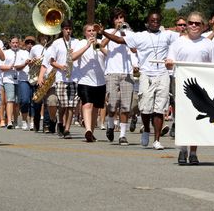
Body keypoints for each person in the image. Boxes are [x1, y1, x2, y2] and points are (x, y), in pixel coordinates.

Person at [102, 12, 179, 149]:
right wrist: (103, 32)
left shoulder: (167, 35)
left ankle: (156, 140)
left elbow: (185, 37)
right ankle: (146, 131)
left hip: (162, 74)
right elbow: (119, 40)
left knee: (159, 109)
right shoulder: (140, 36)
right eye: (152, 20)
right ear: (147, 22)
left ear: (160, 22)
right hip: (146, 75)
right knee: (145, 107)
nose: (155, 22)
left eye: (157, 20)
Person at [166, 12, 214, 165]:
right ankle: (182, 150)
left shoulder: (208, 43)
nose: (194, 25)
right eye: (191, 23)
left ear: (203, 26)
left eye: (197, 23)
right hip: (181, 84)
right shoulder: (177, 43)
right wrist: (169, 63)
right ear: (186, 25)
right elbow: (170, 62)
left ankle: (193, 152)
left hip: (201, 87)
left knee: (196, 118)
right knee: (181, 118)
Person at [102, 8, 137, 144]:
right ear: (113, 20)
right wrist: (116, 31)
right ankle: (110, 125)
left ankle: (122, 134)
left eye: (121, 18)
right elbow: (102, 45)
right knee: (112, 103)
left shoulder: (130, 33)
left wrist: (124, 33)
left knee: (125, 105)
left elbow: (134, 49)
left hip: (127, 72)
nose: (119, 20)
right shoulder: (110, 32)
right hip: (112, 71)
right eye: (117, 18)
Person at [72, 23, 107, 142]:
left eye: (93, 30)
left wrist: (99, 46)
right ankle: (87, 130)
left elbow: (109, 55)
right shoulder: (80, 43)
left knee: (96, 108)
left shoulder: (101, 42)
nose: (92, 32)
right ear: (85, 33)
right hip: (85, 80)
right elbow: (72, 57)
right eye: (89, 31)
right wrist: (87, 46)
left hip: (100, 81)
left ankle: (91, 132)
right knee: (87, 105)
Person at [46, 20, 80, 139]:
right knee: (63, 105)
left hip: (73, 77)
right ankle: (60, 122)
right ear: (62, 30)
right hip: (61, 78)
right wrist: (61, 67)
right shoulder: (57, 43)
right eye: (66, 29)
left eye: (70, 29)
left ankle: (67, 129)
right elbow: (51, 61)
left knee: (71, 105)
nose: (68, 31)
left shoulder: (76, 42)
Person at [0, 37, 20, 129]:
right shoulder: (6, 53)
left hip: (20, 79)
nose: (15, 44)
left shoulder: (22, 52)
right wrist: (9, 67)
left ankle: (15, 121)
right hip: (8, 79)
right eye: (13, 43)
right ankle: (9, 121)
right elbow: (0, 66)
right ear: (10, 43)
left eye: (16, 42)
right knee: (10, 99)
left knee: (17, 101)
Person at [14, 36, 33, 130]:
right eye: (28, 43)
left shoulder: (38, 52)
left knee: (34, 102)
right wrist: (25, 64)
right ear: (25, 44)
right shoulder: (21, 53)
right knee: (25, 100)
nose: (30, 45)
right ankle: (24, 120)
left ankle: (32, 121)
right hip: (23, 79)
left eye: (32, 43)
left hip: (35, 79)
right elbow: (16, 67)